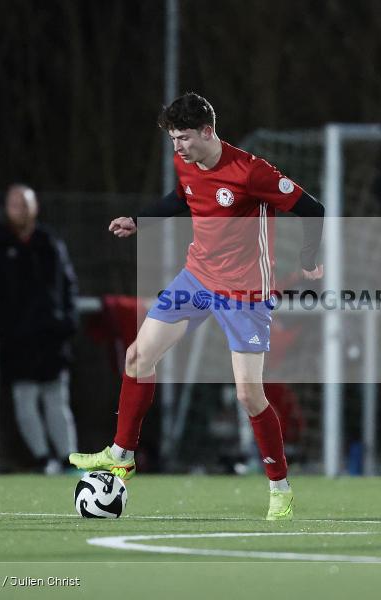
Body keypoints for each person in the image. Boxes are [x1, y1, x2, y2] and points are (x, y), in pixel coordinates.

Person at [69, 93, 325, 520]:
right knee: (137, 355)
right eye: (172, 139)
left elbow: (312, 209)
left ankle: (280, 487)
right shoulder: (185, 161)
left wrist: (308, 258)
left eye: (184, 138)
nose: (178, 147)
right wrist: (140, 219)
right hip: (197, 278)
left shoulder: (251, 171)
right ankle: (122, 454)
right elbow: (183, 196)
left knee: (248, 394)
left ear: (208, 131)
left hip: (245, 291)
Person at [0, 184, 80, 474]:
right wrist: (6, 327)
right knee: (25, 399)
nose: (19, 209)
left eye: (25, 203)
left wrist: (68, 320)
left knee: (57, 399)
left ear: (35, 207)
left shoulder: (49, 243)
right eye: (14, 203)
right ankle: (44, 460)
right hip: (17, 339)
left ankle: (70, 459)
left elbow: (68, 284)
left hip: (51, 337)